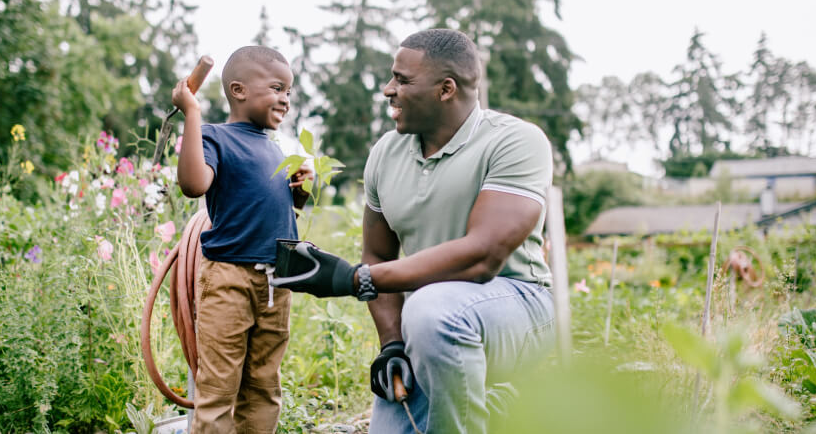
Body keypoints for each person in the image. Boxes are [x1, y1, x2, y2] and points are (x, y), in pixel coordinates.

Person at [271, 29, 555, 433]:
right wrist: (392, 345)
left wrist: (352, 279)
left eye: (402, 80)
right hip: (429, 326)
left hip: (518, 308)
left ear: (446, 89)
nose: (389, 90)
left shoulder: (515, 141)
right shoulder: (386, 153)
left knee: (431, 311)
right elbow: (379, 256)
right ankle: (485, 401)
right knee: (425, 325)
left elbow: (483, 255)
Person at [172, 45, 312, 434]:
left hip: (276, 283)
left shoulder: (277, 148)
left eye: (289, 90)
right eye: (277, 87)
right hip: (229, 280)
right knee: (218, 387)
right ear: (239, 90)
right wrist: (193, 114)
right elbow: (193, 184)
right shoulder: (216, 138)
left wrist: (297, 193)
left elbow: (275, 213)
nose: (286, 98)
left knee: (264, 385)